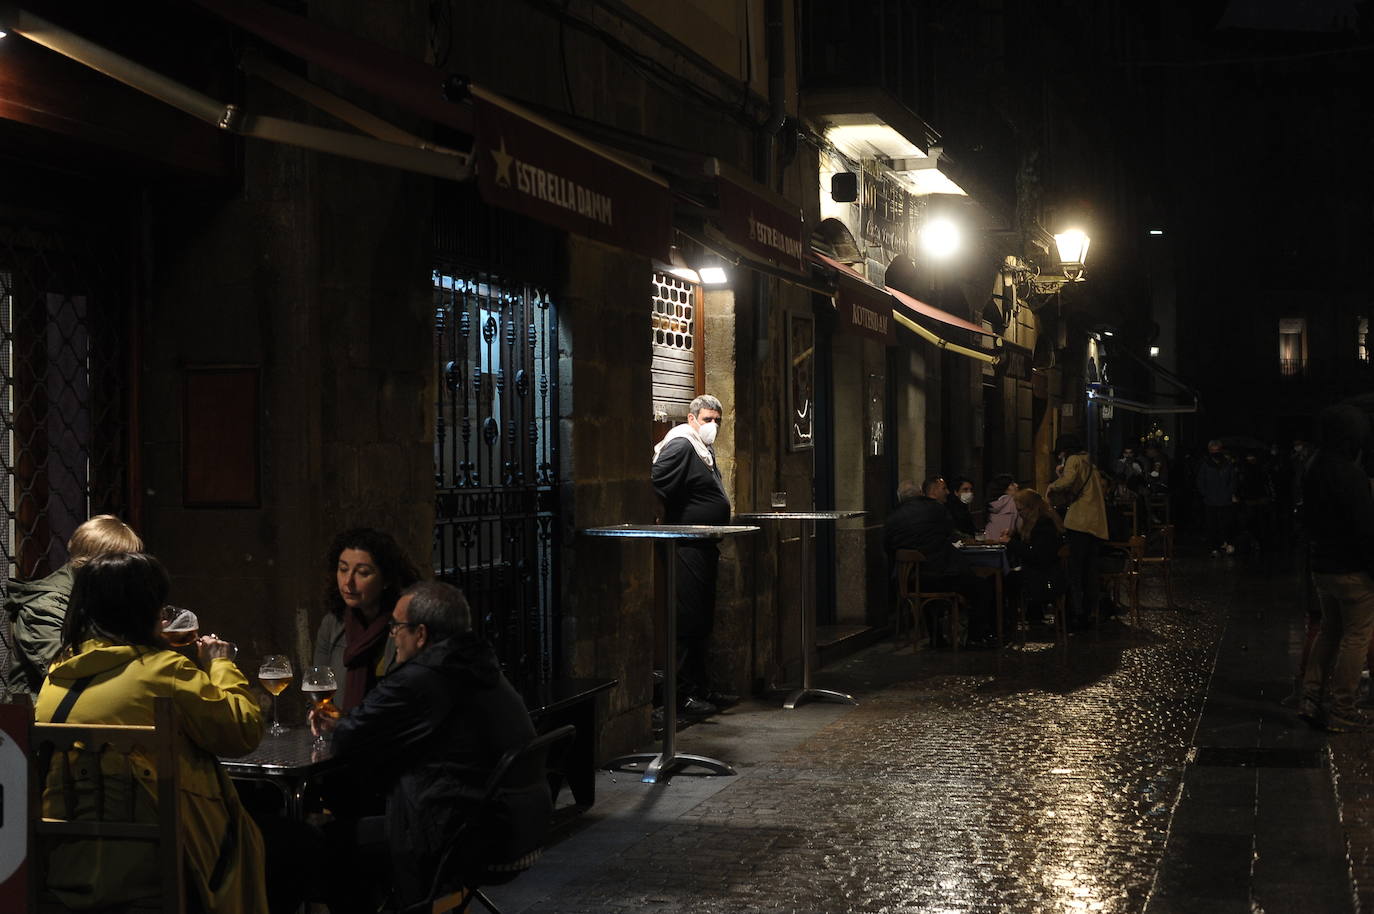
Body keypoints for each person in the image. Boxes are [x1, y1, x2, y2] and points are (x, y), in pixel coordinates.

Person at [34, 552, 267, 912]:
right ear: (147, 610)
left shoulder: (56, 676)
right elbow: (243, 731)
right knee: (292, 844)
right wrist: (221, 665)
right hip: (156, 868)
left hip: (66, 868)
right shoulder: (164, 670)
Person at [314, 581, 545, 911]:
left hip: (459, 839)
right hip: (519, 828)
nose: (392, 634)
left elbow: (350, 741)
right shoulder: (481, 666)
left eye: (396, 626)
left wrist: (343, 724)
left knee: (318, 847)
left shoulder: (422, 676)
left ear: (420, 634)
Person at [651, 393, 736, 715]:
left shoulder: (703, 449)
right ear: (691, 419)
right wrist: (662, 521)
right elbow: (655, 484)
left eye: (717, 420)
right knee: (687, 620)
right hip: (684, 547)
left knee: (700, 618)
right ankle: (682, 695)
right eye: (707, 420)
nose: (713, 426)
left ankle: (701, 688)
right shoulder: (681, 445)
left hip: (702, 545)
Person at [4, 514, 143, 702]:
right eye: (124, 566)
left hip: (77, 712)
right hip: (40, 722)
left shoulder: (96, 595)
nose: (129, 575)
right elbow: (68, 673)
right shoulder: (46, 606)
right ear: (100, 564)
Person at [1298, 405, 1374, 732]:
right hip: (1352, 569)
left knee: (1329, 630)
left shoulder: (1313, 465)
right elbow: (1364, 530)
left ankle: (1310, 697)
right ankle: (1343, 708)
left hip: (1322, 565)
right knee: (1356, 636)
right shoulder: (1350, 473)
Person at [313, 527, 421, 711]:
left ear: (386, 579)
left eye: (362, 572)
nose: (348, 581)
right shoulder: (333, 623)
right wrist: (320, 715)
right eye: (343, 569)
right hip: (338, 735)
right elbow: (317, 686)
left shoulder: (405, 627)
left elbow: (410, 702)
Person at [884, 478, 995, 646]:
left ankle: (936, 638)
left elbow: (888, 547)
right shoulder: (935, 508)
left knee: (927, 595)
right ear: (921, 493)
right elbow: (949, 533)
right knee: (981, 587)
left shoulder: (892, 517)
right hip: (942, 576)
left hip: (911, 581)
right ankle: (975, 637)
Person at [1046, 434, 1109, 631]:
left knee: (1075, 570)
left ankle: (1077, 613)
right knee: (1089, 570)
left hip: (1080, 521)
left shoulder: (1073, 460)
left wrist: (1052, 486)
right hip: (1095, 522)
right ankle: (1090, 612)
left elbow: (1069, 481)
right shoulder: (1088, 461)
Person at [1002, 489, 1067, 626]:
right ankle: (1029, 614)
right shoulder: (1039, 521)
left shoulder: (1044, 524)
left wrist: (1011, 543)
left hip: (1045, 578)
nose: (1019, 514)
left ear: (1031, 508)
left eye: (1020, 510)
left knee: (1005, 580)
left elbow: (1036, 556)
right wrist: (1013, 536)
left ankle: (1009, 622)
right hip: (1044, 573)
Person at [1196, 439, 1239, 556]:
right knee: (1212, 525)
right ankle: (1214, 547)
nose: (1215, 452)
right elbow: (1200, 481)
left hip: (1225, 500)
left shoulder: (1227, 464)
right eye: (1212, 450)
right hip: (1210, 500)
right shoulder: (1205, 464)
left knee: (1226, 524)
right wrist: (1206, 493)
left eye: (1217, 450)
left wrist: (1229, 493)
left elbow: (1233, 480)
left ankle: (1226, 543)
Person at [982, 473, 1020, 541]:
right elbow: (1020, 527)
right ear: (1004, 488)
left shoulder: (991, 505)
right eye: (1012, 484)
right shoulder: (1014, 503)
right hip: (1006, 543)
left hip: (989, 542)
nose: (1017, 485)